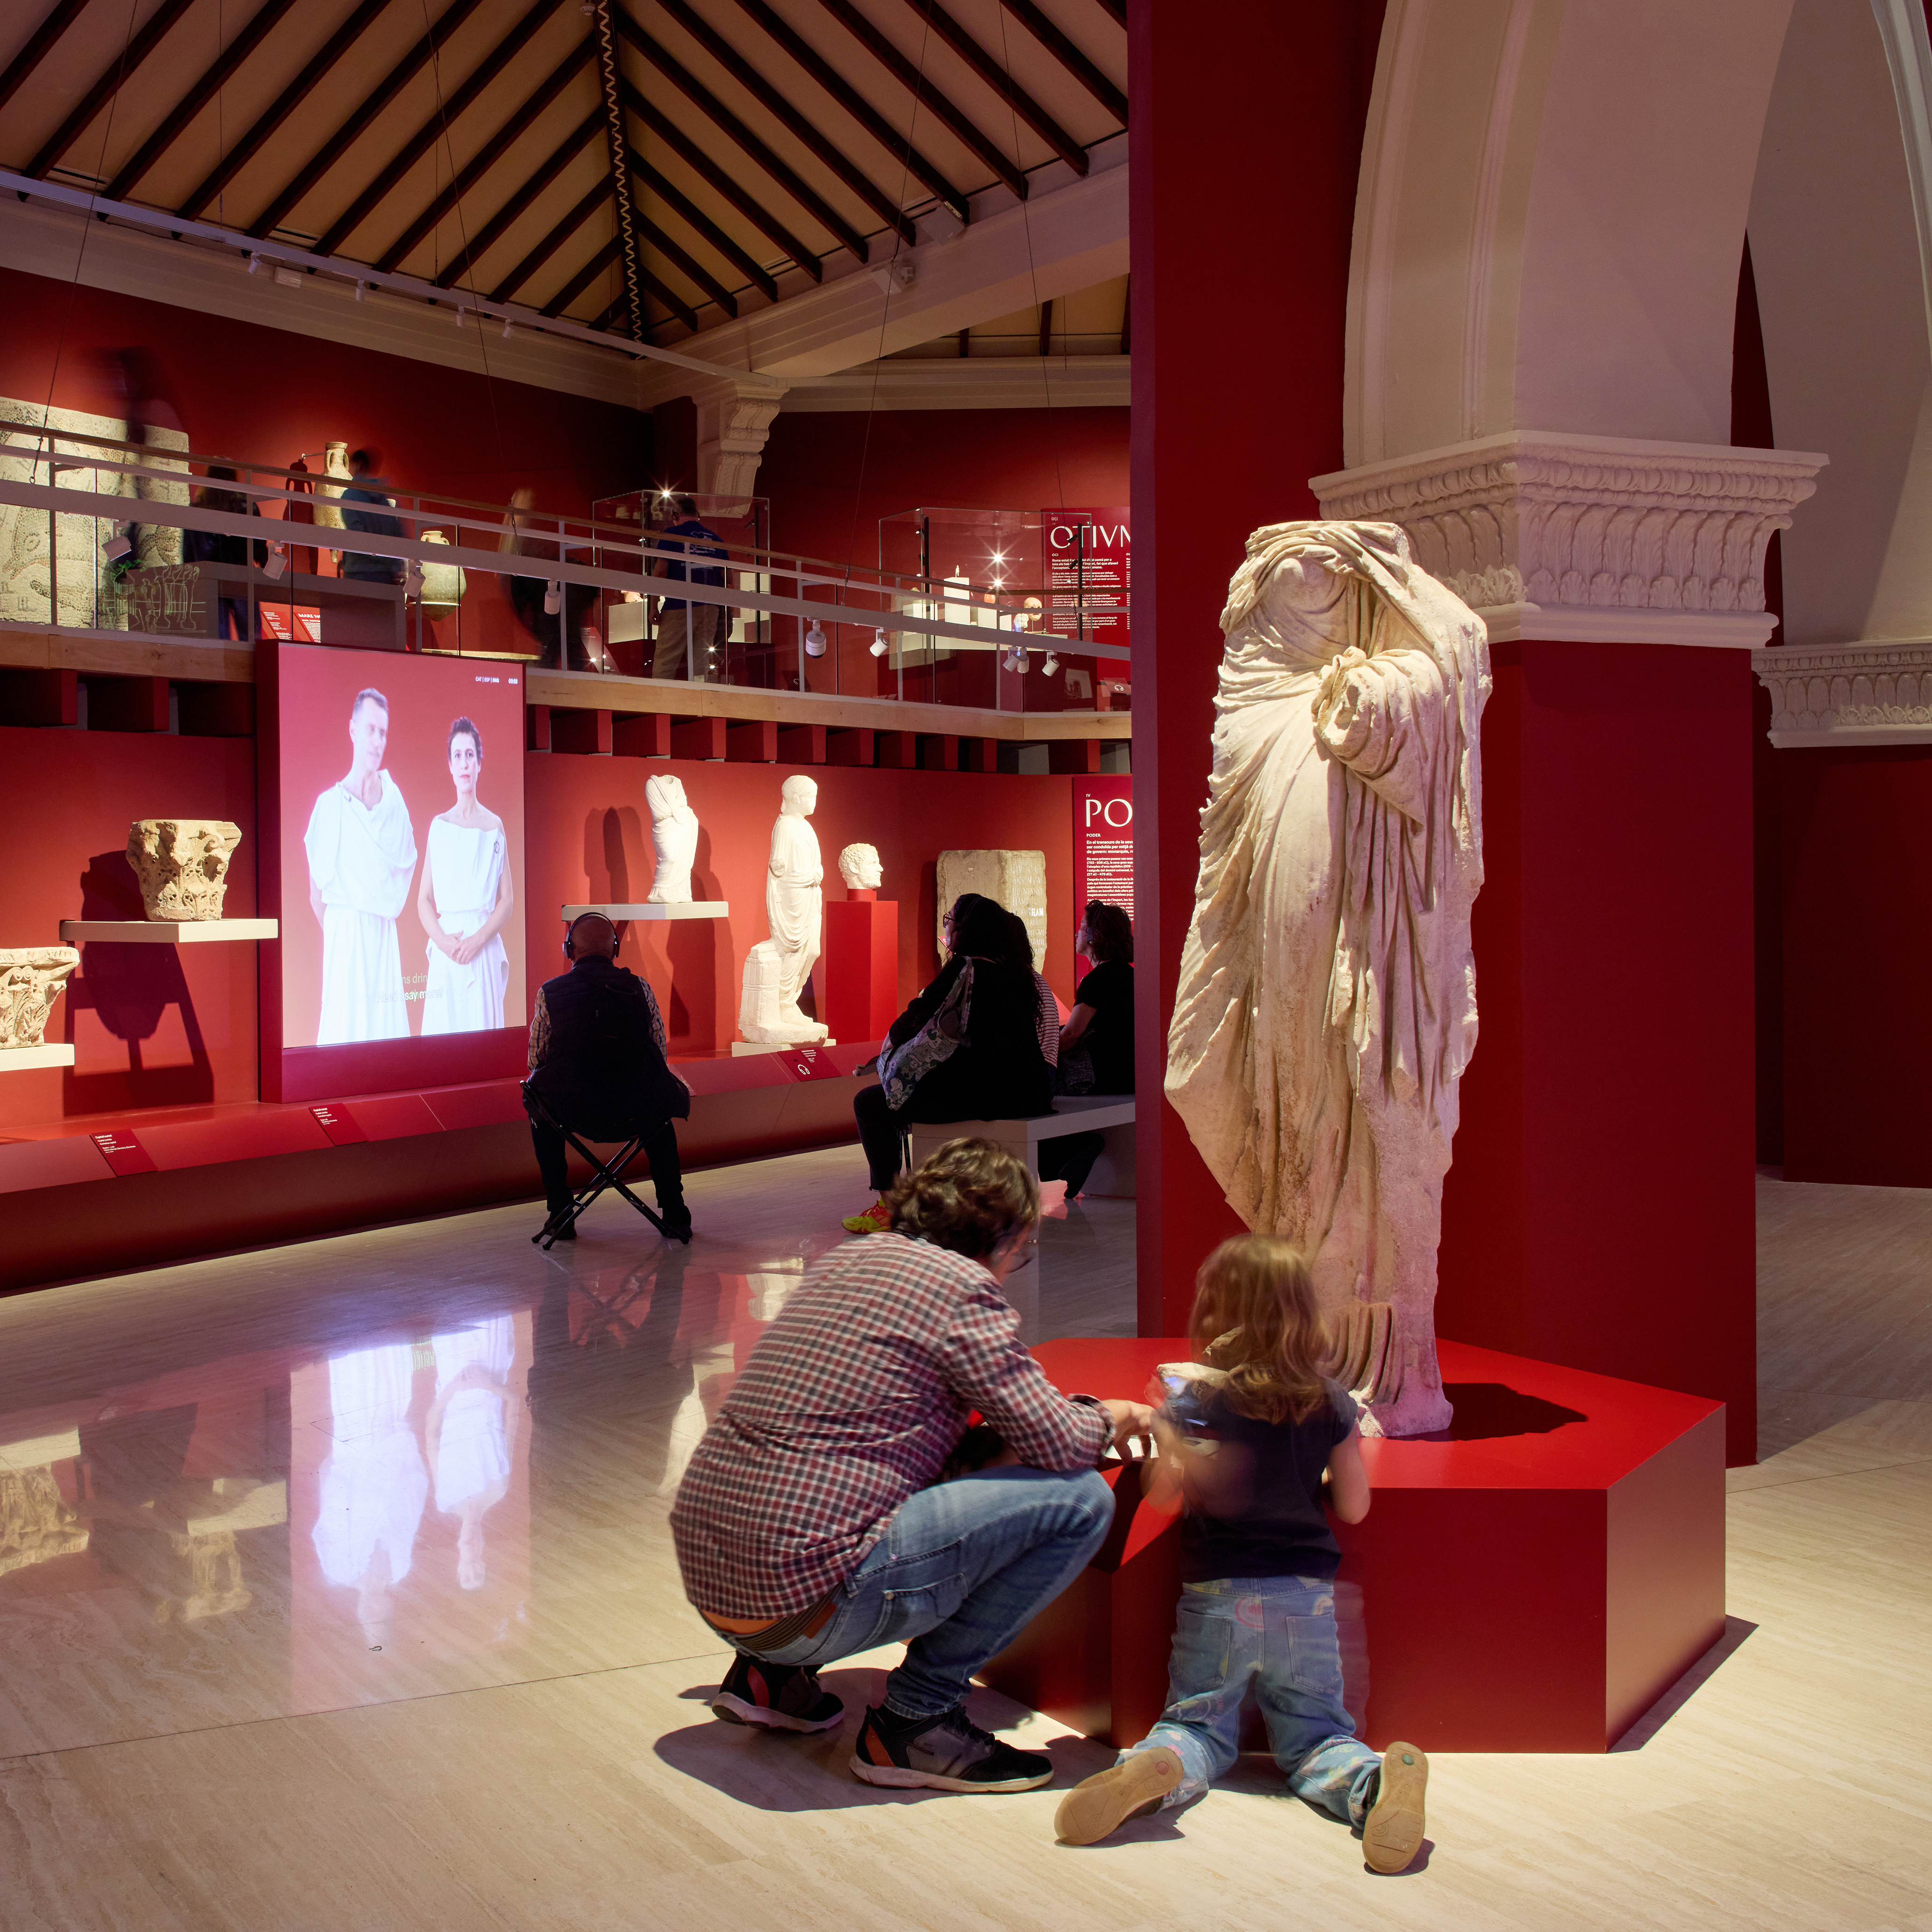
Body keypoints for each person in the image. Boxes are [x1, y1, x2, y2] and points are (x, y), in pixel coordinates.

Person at [671, 1138, 1155, 1793]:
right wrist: (1114, 1415)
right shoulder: (960, 1289)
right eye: (1021, 1249)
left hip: (716, 1587)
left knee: (851, 1474)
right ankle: (916, 1720)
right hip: (800, 1604)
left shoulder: (851, 1258)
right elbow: (1058, 1443)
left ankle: (769, 1677)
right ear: (1003, 1236)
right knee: (1078, 1500)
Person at [1052, 1233, 1429, 1873]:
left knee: (1198, 1726)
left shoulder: (1197, 1401)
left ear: (1216, 1313)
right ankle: (1369, 1785)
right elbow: (1356, 1506)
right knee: (1315, 1738)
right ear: (1304, 1312)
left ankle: (1158, 1764)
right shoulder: (1330, 1400)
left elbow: (1165, 1499)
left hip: (1217, 1594)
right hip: (1304, 1596)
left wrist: (1166, 1428)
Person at [842, 895, 1052, 1234]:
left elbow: (919, 1012)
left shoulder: (966, 966)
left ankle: (891, 1206)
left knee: (872, 1103)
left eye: (949, 919)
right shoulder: (1014, 973)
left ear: (964, 927)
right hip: (1027, 1090)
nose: (947, 925)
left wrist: (890, 1046)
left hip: (982, 1092)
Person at [524, 911, 691, 1241]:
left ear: (569, 950)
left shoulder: (550, 993)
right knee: (659, 1109)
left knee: (538, 1102)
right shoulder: (639, 989)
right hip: (635, 1112)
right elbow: (658, 1053)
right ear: (615, 949)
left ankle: (560, 1213)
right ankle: (675, 1213)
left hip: (572, 1112)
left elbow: (536, 1060)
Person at [303, 687, 417, 1044]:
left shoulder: (394, 803)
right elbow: (316, 897)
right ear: (353, 730)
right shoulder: (328, 807)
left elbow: (403, 869)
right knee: (344, 1036)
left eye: (383, 732)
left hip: (383, 940)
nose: (377, 741)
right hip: (346, 942)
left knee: (385, 1042)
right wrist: (345, 932)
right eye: (370, 729)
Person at [418, 716, 514, 1036]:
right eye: (457, 755)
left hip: (482, 950)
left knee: (482, 1037)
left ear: (479, 762)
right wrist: (444, 943)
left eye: (470, 755)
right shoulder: (439, 826)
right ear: (450, 764)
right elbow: (423, 900)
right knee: (443, 1042)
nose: (464, 763)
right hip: (447, 953)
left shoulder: (495, 825)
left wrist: (477, 941)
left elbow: (507, 902)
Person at [1037, 901, 1135, 1199]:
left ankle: (1071, 1151)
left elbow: (1071, 1036)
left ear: (1095, 936)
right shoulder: (1131, 976)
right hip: (1128, 1073)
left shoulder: (1097, 980)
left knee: (1036, 1092)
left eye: (1081, 928)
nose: (1077, 934)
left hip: (1100, 1075)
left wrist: (1040, 1050)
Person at [651, 494, 729, 680]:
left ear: (675, 515)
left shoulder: (671, 535)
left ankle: (660, 704)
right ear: (698, 515)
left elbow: (660, 572)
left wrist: (653, 606)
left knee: (666, 660)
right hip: (710, 607)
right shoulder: (716, 539)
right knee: (700, 663)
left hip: (679, 604)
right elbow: (728, 578)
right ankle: (698, 705)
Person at [183, 465, 266, 639]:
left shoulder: (198, 508)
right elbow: (258, 542)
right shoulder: (246, 506)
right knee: (250, 636)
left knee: (219, 636)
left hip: (211, 576)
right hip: (241, 575)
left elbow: (189, 550)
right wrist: (265, 563)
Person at [338, 447, 405, 585]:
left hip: (358, 572)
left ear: (358, 465)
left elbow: (356, 534)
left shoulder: (350, 496)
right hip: (386, 575)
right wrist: (394, 566)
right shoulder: (384, 499)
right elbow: (398, 534)